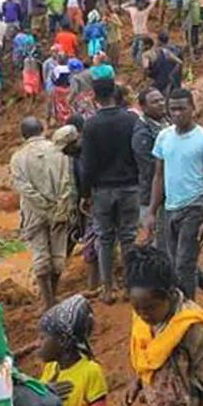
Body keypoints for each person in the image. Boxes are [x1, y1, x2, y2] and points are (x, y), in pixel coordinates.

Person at [125, 245, 203, 406]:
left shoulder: (193, 328)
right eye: (137, 308)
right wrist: (138, 381)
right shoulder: (143, 319)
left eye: (150, 308)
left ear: (170, 294)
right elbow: (148, 356)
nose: (143, 315)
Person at [147, 89, 203, 303]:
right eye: (173, 109)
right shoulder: (164, 137)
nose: (177, 114)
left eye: (182, 108)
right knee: (177, 261)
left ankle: (187, 311)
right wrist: (152, 211)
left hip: (194, 207)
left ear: (193, 109)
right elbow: (158, 175)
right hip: (170, 208)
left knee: (183, 266)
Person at [80, 78, 141, 304]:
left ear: (94, 97)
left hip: (103, 190)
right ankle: (130, 285)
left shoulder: (91, 125)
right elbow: (138, 153)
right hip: (130, 186)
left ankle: (108, 288)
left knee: (104, 238)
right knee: (128, 236)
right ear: (115, 93)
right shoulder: (131, 119)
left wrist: (85, 194)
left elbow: (88, 165)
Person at [11, 117, 76, 308]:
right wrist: (58, 206)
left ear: (23, 135)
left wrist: (42, 205)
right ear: (43, 129)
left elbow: (24, 188)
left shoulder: (18, 157)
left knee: (40, 257)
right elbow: (67, 182)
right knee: (58, 256)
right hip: (59, 210)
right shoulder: (59, 152)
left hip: (34, 212)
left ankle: (47, 302)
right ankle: (53, 295)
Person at [38, 295, 108, 406]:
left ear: (62, 341)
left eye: (42, 338)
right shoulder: (51, 367)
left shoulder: (91, 371)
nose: (37, 344)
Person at [133, 88, 169, 225]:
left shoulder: (167, 122)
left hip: (171, 194)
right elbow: (150, 168)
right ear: (143, 107)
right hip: (153, 198)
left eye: (161, 100)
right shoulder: (142, 134)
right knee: (156, 240)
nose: (161, 103)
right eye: (155, 102)